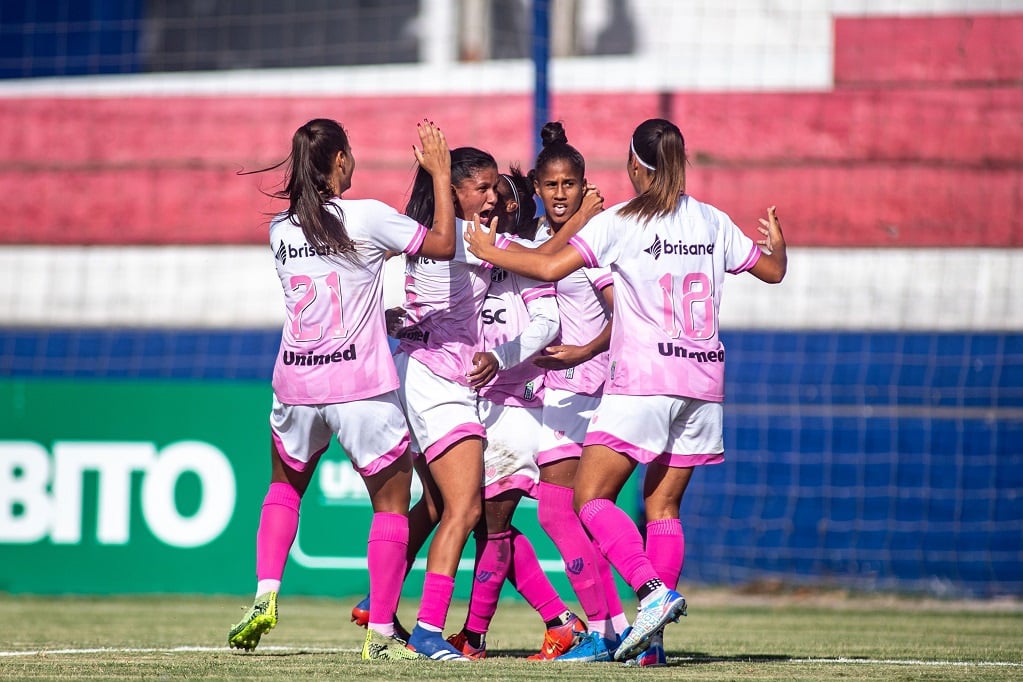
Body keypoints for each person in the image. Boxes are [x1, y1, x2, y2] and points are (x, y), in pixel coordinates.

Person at [464, 117, 788, 663]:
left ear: (636, 165)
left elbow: (545, 265)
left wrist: (487, 250)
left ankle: (649, 595)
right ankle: (649, 645)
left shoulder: (621, 222)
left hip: (643, 382)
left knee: (588, 499)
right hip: (705, 380)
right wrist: (778, 243)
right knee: (663, 507)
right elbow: (774, 271)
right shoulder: (713, 220)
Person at [227, 118, 455, 662]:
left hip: (297, 382)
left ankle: (264, 595)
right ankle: (380, 632)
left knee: (284, 489)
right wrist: (440, 175)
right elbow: (442, 244)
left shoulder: (280, 229)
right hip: (360, 387)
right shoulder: (368, 216)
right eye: (348, 156)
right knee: (392, 507)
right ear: (339, 162)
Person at [445, 167, 586, 660]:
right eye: (485, 194)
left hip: (516, 404)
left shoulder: (522, 258)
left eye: (501, 197)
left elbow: (548, 322)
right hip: (475, 402)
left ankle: (529, 626)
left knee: (495, 522)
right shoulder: (463, 253)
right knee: (485, 523)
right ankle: (550, 621)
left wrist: (500, 359)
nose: (492, 204)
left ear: (515, 208)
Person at [389, 146, 514, 662]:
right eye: (481, 188)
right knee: (465, 509)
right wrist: (585, 228)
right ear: (455, 191)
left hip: (420, 372)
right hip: (439, 380)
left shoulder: (431, 233)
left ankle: (378, 606)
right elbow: (547, 264)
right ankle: (428, 630)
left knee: (438, 506)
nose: (492, 198)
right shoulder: (459, 239)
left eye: (495, 188)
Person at [526, 121, 630, 663]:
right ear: (539, 189)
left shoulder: (594, 244)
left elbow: (623, 316)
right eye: (552, 185)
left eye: (570, 184)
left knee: (559, 512)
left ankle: (607, 629)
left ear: (585, 185)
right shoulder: (543, 244)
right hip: (558, 390)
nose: (561, 193)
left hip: (588, 388)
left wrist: (585, 353)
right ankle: (611, 629)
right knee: (565, 512)